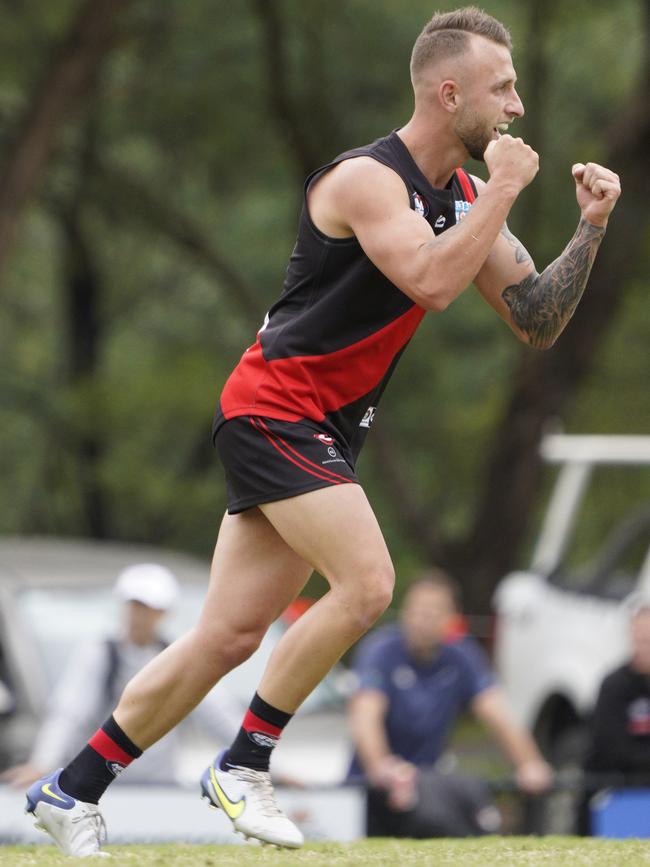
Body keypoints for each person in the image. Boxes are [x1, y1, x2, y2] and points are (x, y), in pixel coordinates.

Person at [25, 6, 621, 857]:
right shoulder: (365, 181)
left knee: (227, 636)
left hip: (319, 428)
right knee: (370, 584)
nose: (518, 106)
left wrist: (591, 225)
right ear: (450, 94)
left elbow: (536, 319)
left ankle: (69, 786)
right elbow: (430, 281)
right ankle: (246, 763)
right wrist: (509, 190)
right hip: (275, 408)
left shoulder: (463, 198)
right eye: (503, 88)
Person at [348, 571, 552, 837]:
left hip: (427, 789)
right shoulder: (380, 650)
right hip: (370, 791)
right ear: (405, 612)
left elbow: (496, 712)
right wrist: (382, 767)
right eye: (418, 610)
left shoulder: (462, 657)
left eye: (433, 612)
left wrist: (529, 763)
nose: (423, 620)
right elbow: (365, 713)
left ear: (451, 619)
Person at [5, 564, 240, 789]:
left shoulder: (179, 659)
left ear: (163, 612)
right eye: (134, 606)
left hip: (159, 788)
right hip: (100, 786)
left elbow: (217, 714)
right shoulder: (101, 654)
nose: (139, 615)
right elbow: (70, 712)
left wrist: (258, 763)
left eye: (147, 607)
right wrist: (43, 764)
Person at [579, 596, 650, 833]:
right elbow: (614, 749)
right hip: (615, 792)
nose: (643, 648)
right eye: (639, 640)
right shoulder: (614, 685)